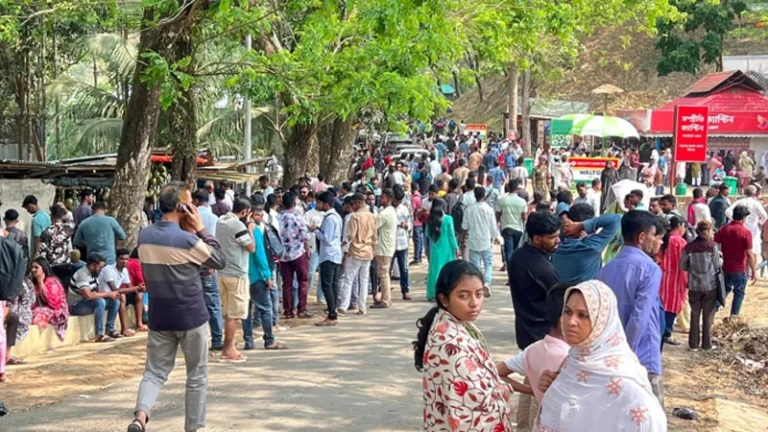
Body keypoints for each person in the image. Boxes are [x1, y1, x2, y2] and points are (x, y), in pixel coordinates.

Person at [127, 183, 226, 432]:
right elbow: (219, 260)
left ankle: (140, 416)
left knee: (154, 372)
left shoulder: (145, 236)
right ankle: (194, 427)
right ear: (183, 207)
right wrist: (201, 229)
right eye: (190, 202)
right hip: (191, 316)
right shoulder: (187, 240)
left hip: (160, 317)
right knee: (196, 376)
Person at [536, 280, 667, 432]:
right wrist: (553, 386)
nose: (571, 322)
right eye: (568, 312)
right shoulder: (573, 362)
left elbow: (646, 420)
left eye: (583, 315)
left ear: (602, 321)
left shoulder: (624, 383)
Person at [414, 260, 513, 432]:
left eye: (479, 294)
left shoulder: (454, 323)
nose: (474, 303)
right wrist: (502, 391)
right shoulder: (451, 345)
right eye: (463, 296)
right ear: (444, 300)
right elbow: (470, 407)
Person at [597, 210, 665, 405]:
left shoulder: (606, 269)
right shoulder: (649, 269)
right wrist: (627, 353)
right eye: (654, 235)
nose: (656, 241)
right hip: (640, 352)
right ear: (642, 237)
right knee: (650, 412)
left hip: (610, 353)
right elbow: (639, 316)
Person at [507, 211, 560, 428]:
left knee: (530, 386)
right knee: (541, 397)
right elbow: (559, 302)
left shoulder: (519, 256)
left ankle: (521, 427)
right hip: (542, 337)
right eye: (553, 237)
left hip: (525, 331)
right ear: (537, 238)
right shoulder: (543, 268)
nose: (558, 240)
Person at [497, 283, 570, 427]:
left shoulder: (534, 349)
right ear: (564, 318)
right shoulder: (570, 357)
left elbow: (495, 373)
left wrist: (532, 390)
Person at [215, 197, 255, 363]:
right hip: (237, 273)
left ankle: (229, 346)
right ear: (245, 212)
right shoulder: (238, 225)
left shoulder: (221, 221)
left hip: (222, 271)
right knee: (234, 314)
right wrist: (250, 229)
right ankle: (228, 349)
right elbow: (251, 247)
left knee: (228, 312)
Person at [244, 201, 286, 350]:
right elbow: (260, 254)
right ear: (249, 214)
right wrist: (267, 275)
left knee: (245, 311)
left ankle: (248, 341)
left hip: (243, 276)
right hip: (256, 275)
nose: (260, 217)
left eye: (261, 215)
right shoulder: (254, 230)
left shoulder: (236, 229)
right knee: (265, 308)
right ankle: (269, 339)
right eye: (256, 214)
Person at [554, 203, 622, 283]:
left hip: (557, 293)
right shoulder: (591, 247)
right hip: (585, 293)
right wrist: (581, 225)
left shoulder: (555, 244)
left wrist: (565, 218)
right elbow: (617, 219)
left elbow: (561, 205)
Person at [681, 220, 721, 351]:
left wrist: (693, 269)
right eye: (711, 230)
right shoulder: (713, 246)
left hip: (694, 286)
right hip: (710, 285)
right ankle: (706, 345)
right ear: (707, 231)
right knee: (708, 316)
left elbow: (683, 265)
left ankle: (693, 344)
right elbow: (716, 266)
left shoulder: (689, 247)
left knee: (694, 314)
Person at [193, 189, 223, 351]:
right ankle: (217, 338)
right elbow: (215, 242)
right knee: (213, 302)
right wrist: (213, 264)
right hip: (209, 263)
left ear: (196, 201)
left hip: (192, 264)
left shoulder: (190, 216)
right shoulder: (214, 218)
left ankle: (198, 340)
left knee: (194, 302)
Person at [337, 193, 376, 314]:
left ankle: (343, 305)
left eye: (352, 203)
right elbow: (375, 235)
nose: (352, 206)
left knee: (349, 279)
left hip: (356, 250)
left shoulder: (354, 216)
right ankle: (362, 307)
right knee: (364, 279)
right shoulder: (372, 216)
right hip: (368, 249)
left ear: (358, 203)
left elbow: (350, 235)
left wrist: (343, 244)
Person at [68, 252, 121, 342]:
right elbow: (88, 295)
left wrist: (112, 295)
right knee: (100, 302)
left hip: (87, 303)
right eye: (100, 267)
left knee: (115, 301)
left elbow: (95, 293)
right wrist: (108, 294)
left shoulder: (93, 274)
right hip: (76, 305)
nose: (101, 270)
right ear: (93, 266)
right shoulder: (82, 275)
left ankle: (110, 330)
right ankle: (99, 334)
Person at [715, 205, 757, 317]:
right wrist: (753, 270)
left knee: (725, 289)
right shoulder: (745, 232)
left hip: (726, 266)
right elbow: (749, 253)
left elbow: (714, 243)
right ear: (743, 218)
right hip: (739, 267)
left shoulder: (724, 229)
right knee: (739, 292)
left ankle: (714, 307)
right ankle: (734, 316)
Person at [277, 191, 311, 319]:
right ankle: (301, 308)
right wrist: (307, 249)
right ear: (295, 202)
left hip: (284, 255)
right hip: (298, 252)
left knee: (287, 283)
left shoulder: (278, 218)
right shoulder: (298, 217)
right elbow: (304, 236)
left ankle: (288, 311)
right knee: (303, 280)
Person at [98, 248, 145, 337]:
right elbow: (115, 289)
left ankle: (139, 324)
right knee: (122, 296)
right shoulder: (108, 269)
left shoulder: (124, 271)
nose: (124, 261)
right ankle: (124, 329)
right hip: (105, 295)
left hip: (115, 295)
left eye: (127, 259)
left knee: (139, 295)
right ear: (116, 259)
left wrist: (139, 289)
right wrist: (136, 288)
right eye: (122, 259)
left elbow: (130, 287)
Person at [313, 191, 343, 326]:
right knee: (334, 284)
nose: (317, 205)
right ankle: (333, 310)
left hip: (329, 255)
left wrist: (315, 230)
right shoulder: (335, 216)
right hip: (334, 254)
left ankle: (332, 314)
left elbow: (327, 238)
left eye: (318, 202)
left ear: (325, 204)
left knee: (328, 285)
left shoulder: (331, 218)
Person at [462, 186, 499, 298]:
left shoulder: (469, 209)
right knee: (488, 263)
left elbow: (464, 226)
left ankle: (478, 285)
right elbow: (493, 227)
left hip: (473, 240)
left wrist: (462, 239)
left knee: (475, 265)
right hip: (486, 241)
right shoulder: (489, 209)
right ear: (484, 196)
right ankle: (487, 283)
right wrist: (496, 236)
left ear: (475, 195)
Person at [659, 216, 688, 346]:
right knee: (672, 306)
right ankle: (667, 333)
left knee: (661, 305)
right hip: (676, 278)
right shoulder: (680, 242)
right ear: (680, 226)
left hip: (661, 277)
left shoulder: (662, 240)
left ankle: (661, 331)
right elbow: (685, 264)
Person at [425, 199, 459, 301]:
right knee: (447, 270)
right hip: (447, 246)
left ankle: (432, 293)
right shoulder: (448, 219)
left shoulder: (431, 219)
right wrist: (456, 248)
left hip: (436, 246)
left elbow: (427, 234)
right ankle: (446, 293)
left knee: (435, 270)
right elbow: (451, 236)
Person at [28, 257, 68, 341]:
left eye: (36, 267)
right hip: (45, 308)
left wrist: (40, 282)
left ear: (44, 268)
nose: (33, 270)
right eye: (32, 267)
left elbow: (52, 302)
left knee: (37, 312)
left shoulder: (52, 281)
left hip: (58, 311)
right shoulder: (33, 283)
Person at [371, 189, 397, 309]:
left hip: (384, 247)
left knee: (383, 274)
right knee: (384, 273)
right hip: (388, 246)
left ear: (388, 199)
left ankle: (385, 300)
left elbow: (373, 228)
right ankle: (386, 298)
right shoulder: (391, 211)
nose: (380, 199)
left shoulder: (384, 213)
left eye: (382, 198)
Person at [725, 185, 767, 258]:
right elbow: (765, 216)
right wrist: (759, 223)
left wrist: (736, 220)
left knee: (742, 252)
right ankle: (752, 268)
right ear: (755, 193)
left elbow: (727, 211)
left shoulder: (739, 202)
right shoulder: (756, 203)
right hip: (753, 230)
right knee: (753, 253)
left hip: (740, 229)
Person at [496, 180, 527, 267]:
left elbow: (497, 215)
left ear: (508, 188)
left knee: (508, 251)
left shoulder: (501, 200)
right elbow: (524, 217)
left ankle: (511, 272)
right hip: (518, 229)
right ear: (517, 189)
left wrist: (497, 227)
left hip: (506, 228)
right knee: (516, 251)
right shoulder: (522, 202)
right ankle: (516, 270)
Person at [39, 204, 76, 269]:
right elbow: (70, 217)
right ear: (62, 216)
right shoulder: (68, 228)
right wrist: (65, 209)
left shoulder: (45, 232)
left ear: (51, 216)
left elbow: (43, 253)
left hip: (52, 266)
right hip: (66, 265)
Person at [391, 188, 412, 301]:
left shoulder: (404, 209)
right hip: (390, 242)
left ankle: (405, 290)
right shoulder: (387, 209)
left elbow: (409, 222)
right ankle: (384, 291)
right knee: (387, 268)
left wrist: (406, 226)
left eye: (399, 200)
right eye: (396, 200)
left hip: (402, 241)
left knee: (404, 268)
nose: (397, 202)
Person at [304, 199, 325, 303]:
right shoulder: (309, 214)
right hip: (313, 246)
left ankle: (320, 296)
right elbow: (305, 229)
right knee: (311, 273)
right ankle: (305, 294)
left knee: (323, 273)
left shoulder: (326, 215)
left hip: (323, 247)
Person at [22, 194, 51, 259]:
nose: (27, 211)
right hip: (48, 250)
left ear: (30, 206)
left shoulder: (36, 219)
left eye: (27, 208)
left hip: (40, 253)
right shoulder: (47, 216)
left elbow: (37, 238)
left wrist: (36, 255)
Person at [411, 186, 424, 265]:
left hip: (415, 221)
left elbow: (413, 210)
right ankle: (419, 256)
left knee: (416, 240)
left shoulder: (414, 198)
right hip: (421, 221)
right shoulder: (421, 197)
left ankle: (416, 258)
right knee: (420, 239)